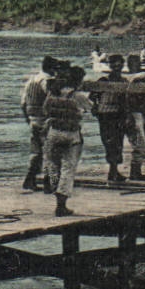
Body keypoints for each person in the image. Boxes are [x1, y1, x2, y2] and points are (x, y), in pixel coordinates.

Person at [41, 68, 91, 217]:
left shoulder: (52, 94)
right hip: (71, 134)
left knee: (53, 165)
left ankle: (53, 188)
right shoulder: (78, 96)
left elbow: (45, 110)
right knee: (68, 168)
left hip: (54, 132)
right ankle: (61, 204)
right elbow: (92, 108)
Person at [92, 55, 137, 183]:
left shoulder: (125, 82)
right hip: (105, 115)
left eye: (119, 64)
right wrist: (95, 107)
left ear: (123, 65)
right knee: (109, 142)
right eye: (113, 64)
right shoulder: (103, 80)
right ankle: (113, 172)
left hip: (118, 115)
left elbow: (128, 101)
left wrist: (128, 116)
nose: (116, 67)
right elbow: (92, 96)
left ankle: (114, 171)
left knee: (118, 143)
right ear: (109, 66)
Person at [20, 55, 57, 192]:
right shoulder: (46, 81)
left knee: (35, 152)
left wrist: (27, 119)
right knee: (49, 151)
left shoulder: (31, 80)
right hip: (44, 120)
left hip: (32, 119)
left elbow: (23, 103)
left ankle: (30, 179)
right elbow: (52, 100)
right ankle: (48, 183)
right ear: (51, 68)